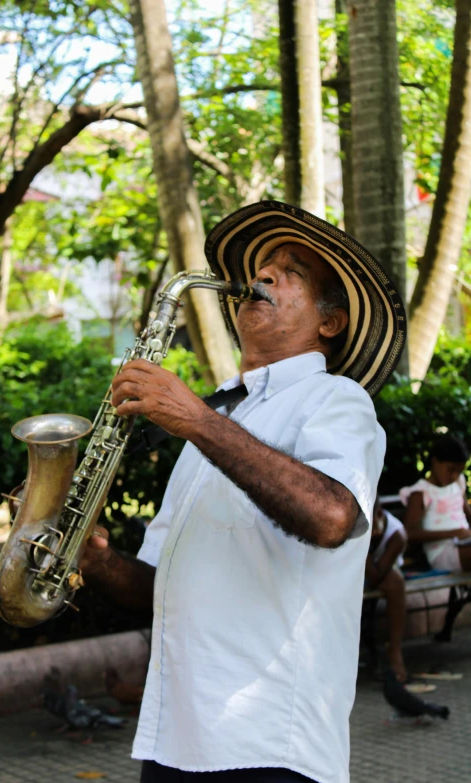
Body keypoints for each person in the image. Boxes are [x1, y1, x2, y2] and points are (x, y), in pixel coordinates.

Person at [80, 202, 407, 783]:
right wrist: (95, 559)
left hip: (270, 744)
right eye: (265, 267)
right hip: (173, 737)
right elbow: (157, 587)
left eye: (291, 273)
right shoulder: (211, 418)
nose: (265, 276)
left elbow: (333, 516)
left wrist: (197, 422)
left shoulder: (336, 401)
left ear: (329, 324)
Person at [400, 433, 471, 573]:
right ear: (435, 462)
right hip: (441, 553)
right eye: (451, 470)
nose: (454, 476)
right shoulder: (421, 492)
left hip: (464, 545)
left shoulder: (458, 483)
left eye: (459, 471)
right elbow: (409, 533)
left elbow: (467, 513)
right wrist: (453, 533)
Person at [365, 496, 407, 681]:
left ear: (380, 515)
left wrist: (365, 548)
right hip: (350, 574)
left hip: (379, 573)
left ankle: (395, 650)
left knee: (396, 582)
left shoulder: (397, 534)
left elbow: (375, 576)